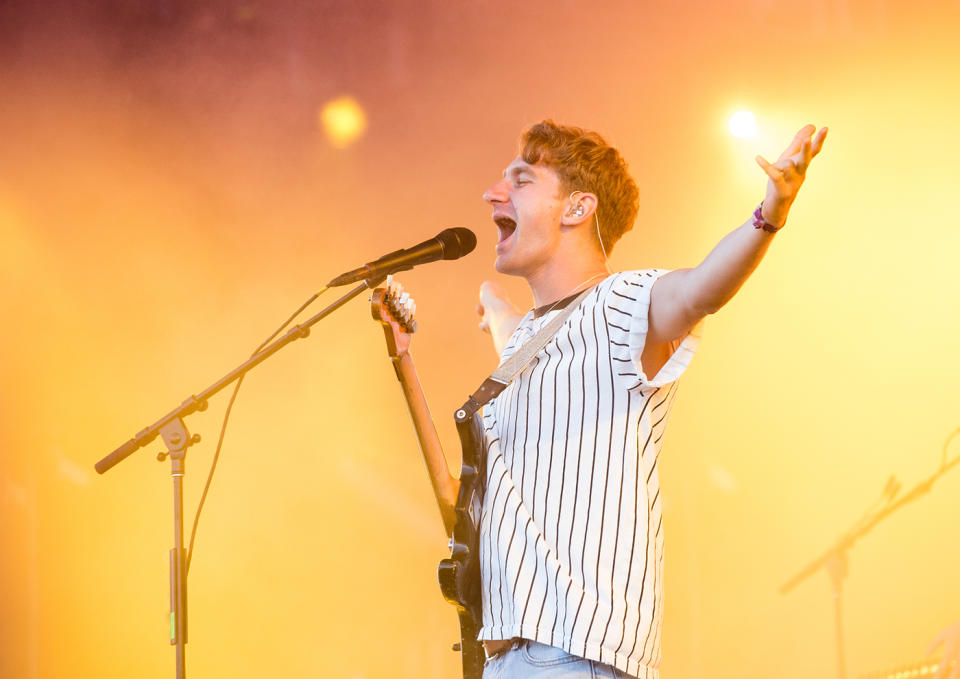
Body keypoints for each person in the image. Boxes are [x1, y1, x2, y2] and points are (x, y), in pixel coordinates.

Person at [426, 119, 827, 679]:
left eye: (520, 180)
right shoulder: (525, 343)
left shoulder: (620, 303)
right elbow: (523, 334)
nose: (493, 193)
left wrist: (769, 215)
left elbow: (700, 287)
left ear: (577, 208)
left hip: (573, 655)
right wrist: (493, 305)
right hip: (508, 658)